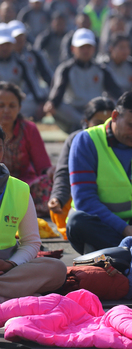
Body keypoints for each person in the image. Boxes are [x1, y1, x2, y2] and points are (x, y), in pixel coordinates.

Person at [66, 92, 132, 255]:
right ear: (115, 116)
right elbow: (85, 200)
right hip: (106, 224)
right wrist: (124, 229)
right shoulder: (86, 141)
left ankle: (125, 252)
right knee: (76, 222)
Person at [0, 124, 67, 303]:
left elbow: (31, 242)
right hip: (11, 277)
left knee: (57, 270)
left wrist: (11, 264)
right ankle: (20, 298)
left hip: (7, 266)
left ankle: (8, 297)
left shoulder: (19, 189)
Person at [47, 97, 114, 239]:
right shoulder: (75, 139)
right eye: (98, 123)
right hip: (86, 200)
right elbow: (64, 172)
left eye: (109, 123)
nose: (103, 128)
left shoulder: (121, 141)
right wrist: (58, 197)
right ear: (86, 123)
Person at [44, 28, 122, 133]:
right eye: (82, 47)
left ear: (94, 49)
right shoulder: (66, 69)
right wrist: (52, 103)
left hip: (96, 110)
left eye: (89, 47)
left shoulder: (102, 69)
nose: (86, 50)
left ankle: (87, 125)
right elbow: (58, 90)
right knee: (57, 107)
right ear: (73, 49)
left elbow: (116, 91)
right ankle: (84, 124)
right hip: (74, 111)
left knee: (117, 104)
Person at [0, 82, 54, 217]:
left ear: (19, 108)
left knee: (48, 183)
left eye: (12, 106)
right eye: (1, 106)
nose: (6, 110)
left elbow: (43, 167)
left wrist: (53, 172)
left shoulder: (29, 129)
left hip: (24, 185)